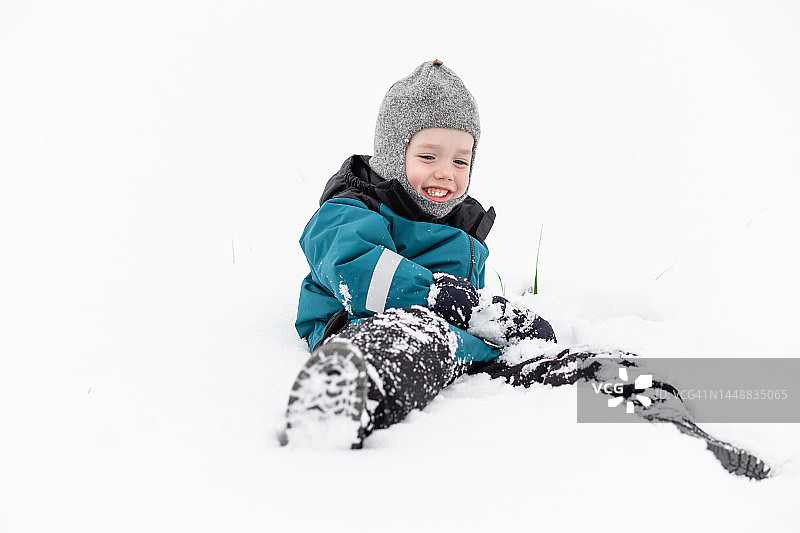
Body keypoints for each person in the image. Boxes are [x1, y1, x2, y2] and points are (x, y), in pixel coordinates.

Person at [279, 60, 770, 480]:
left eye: (461, 159)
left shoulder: (459, 231)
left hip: (456, 351)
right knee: (421, 333)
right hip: (369, 331)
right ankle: (337, 400)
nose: (445, 173)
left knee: (559, 360)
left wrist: (505, 328)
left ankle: (683, 428)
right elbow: (359, 272)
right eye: (427, 155)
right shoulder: (351, 210)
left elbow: (460, 323)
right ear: (391, 154)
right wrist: (452, 301)